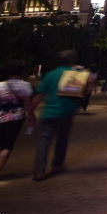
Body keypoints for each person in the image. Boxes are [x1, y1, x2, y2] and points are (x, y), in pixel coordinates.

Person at [0, 60, 34, 182]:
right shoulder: (25, 85)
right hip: (15, 118)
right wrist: (31, 117)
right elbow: (28, 104)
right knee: (7, 145)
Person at [32, 50, 81, 181]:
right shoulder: (75, 75)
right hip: (66, 111)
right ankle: (57, 165)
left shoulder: (50, 74)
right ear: (72, 61)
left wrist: (30, 112)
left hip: (48, 112)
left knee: (43, 141)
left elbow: (38, 95)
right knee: (62, 139)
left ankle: (39, 171)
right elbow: (83, 91)